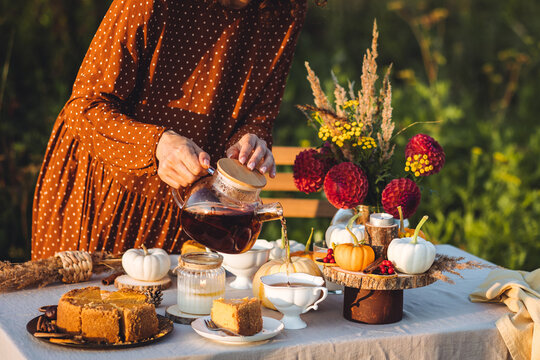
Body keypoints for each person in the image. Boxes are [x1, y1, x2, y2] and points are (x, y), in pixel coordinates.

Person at [31, 0, 315, 259]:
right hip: (103, 194)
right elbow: (84, 107)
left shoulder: (285, 9)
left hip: (192, 210)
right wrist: (156, 144)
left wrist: (251, 141)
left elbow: (260, 116)